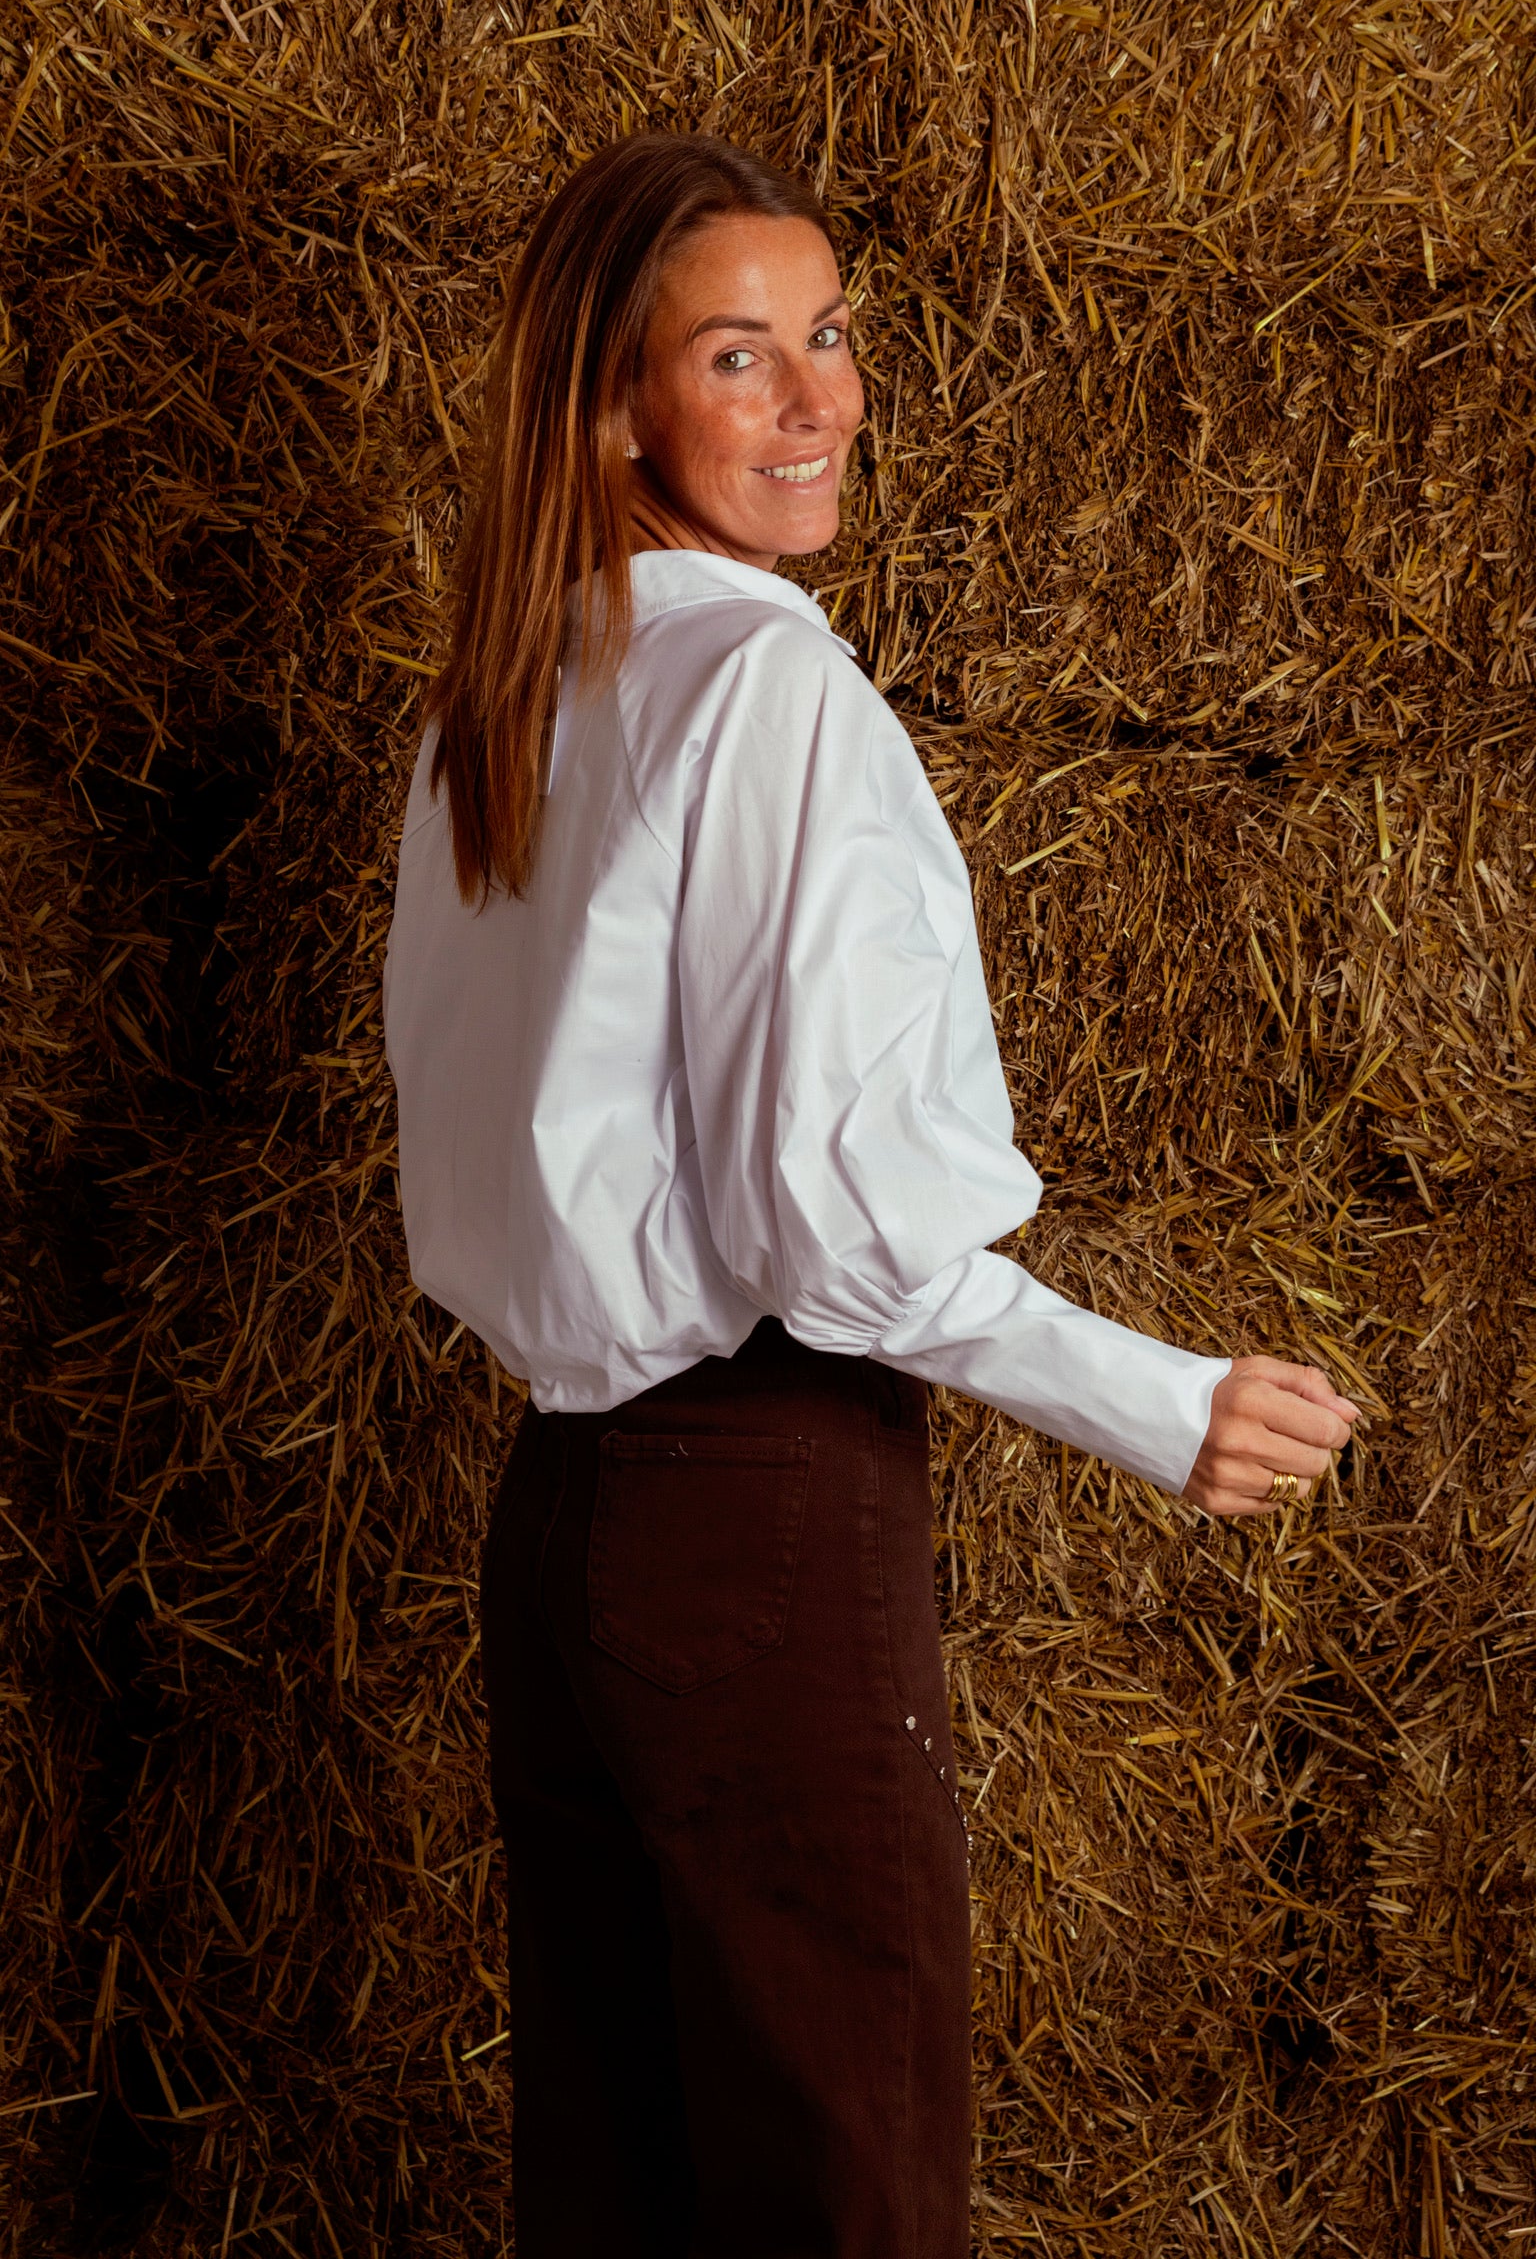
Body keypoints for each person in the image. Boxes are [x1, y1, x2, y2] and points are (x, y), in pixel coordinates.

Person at [382, 132, 1357, 2259]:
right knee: (849, 2191)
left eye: (827, 336)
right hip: (756, 1501)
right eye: (740, 355)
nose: (820, 397)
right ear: (616, 406)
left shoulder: (503, 700)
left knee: (619, 2190)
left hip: (559, 1527)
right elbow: (832, 1231)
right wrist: (1159, 1400)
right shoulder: (763, 688)